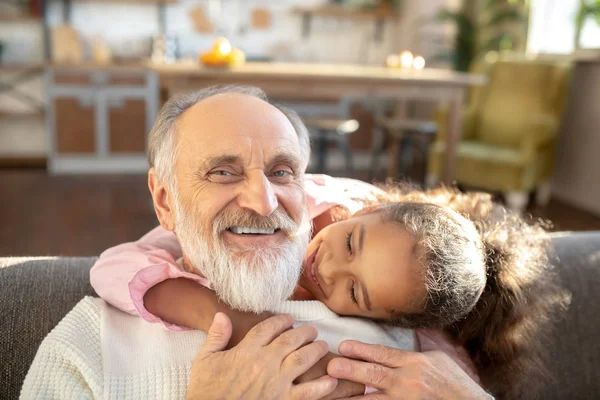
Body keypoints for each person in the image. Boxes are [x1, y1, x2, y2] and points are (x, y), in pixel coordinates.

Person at [22, 85, 494, 399]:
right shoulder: (87, 346)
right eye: (222, 171)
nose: (263, 201)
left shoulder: (404, 337)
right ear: (165, 202)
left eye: (281, 171)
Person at [92, 175, 565, 398]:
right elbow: (113, 266)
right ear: (359, 214)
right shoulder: (288, 206)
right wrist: (230, 320)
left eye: (356, 293)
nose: (330, 269)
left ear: (381, 320)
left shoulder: (412, 325)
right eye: (352, 244)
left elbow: (444, 377)